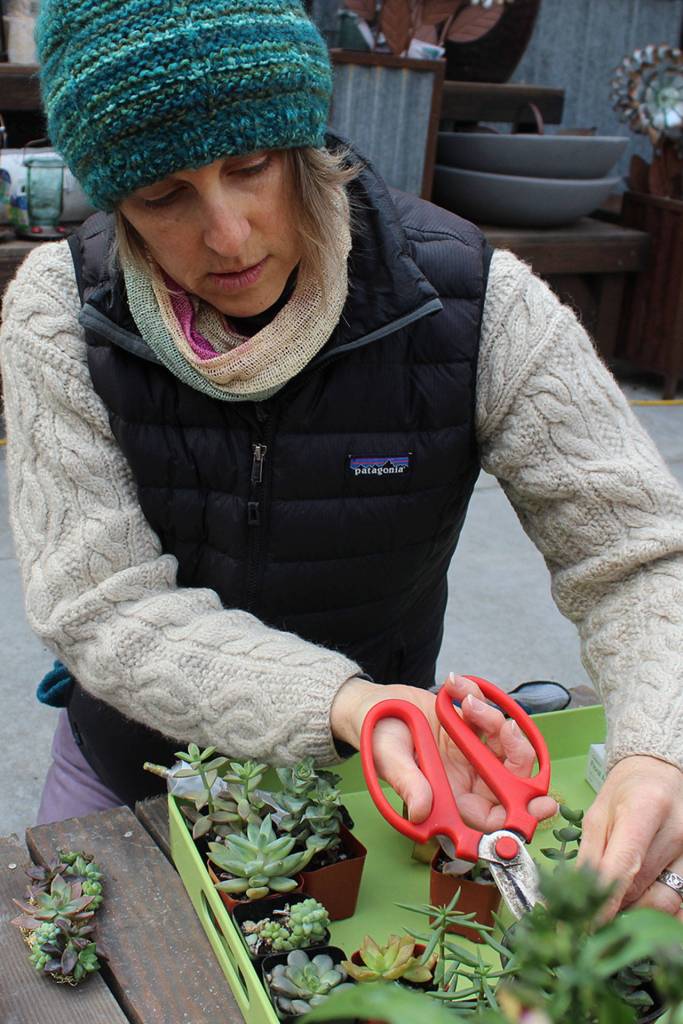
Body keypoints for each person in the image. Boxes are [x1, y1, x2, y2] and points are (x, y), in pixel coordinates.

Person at [0, 0, 681, 924]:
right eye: (163, 196)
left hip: (385, 781)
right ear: (114, 199)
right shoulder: (58, 313)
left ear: (302, 141)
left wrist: (658, 747)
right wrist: (348, 704)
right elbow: (101, 604)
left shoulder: (471, 301)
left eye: (250, 167)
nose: (230, 235)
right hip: (133, 763)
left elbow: (641, 556)